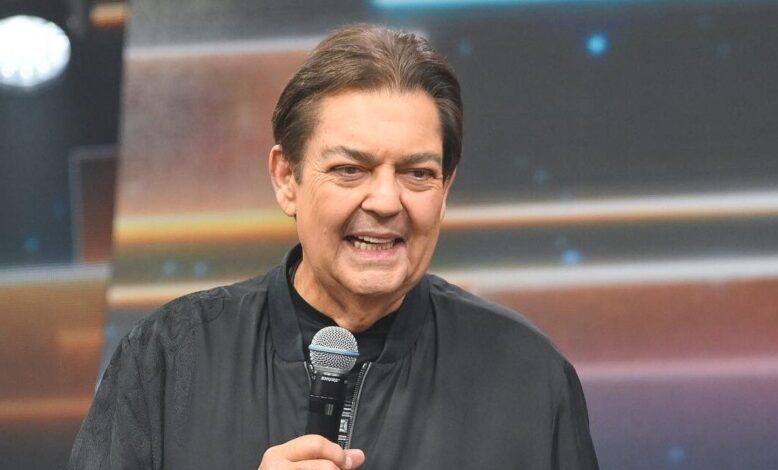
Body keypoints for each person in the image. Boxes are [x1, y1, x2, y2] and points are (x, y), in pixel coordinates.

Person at [68, 24, 599, 469]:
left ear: (446, 189)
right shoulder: (168, 359)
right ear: (286, 178)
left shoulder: (528, 376)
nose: (386, 201)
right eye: (350, 169)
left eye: (417, 173)